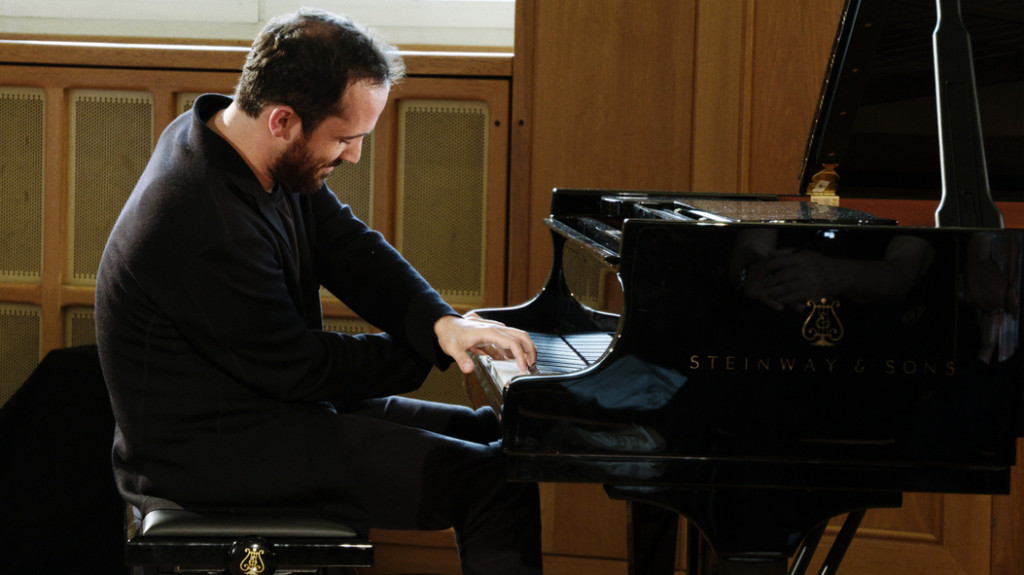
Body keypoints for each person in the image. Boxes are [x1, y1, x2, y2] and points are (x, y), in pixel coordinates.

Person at [95, 8, 541, 575]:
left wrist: (440, 323)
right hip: (210, 452)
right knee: (492, 482)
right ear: (282, 120)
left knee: (498, 439)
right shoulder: (202, 222)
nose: (354, 155)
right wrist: (428, 350)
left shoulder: (237, 142)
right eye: (346, 138)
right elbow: (301, 368)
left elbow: (344, 243)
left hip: (262, 406)